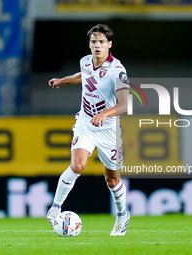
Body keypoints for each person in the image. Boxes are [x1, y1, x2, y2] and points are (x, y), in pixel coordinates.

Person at [47, 24, 130, 236]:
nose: (97, 46)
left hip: (109, 129)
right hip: (85, 122)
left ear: (109, 45)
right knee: (77, 165)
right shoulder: (85, 61)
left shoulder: (117, 71)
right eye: (94, 42)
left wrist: (105, 114)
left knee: (112, 179)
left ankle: (122, 216)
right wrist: (63, 81)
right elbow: (84, 76)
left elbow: (124, 104)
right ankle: (55, 208)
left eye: (102, 42)